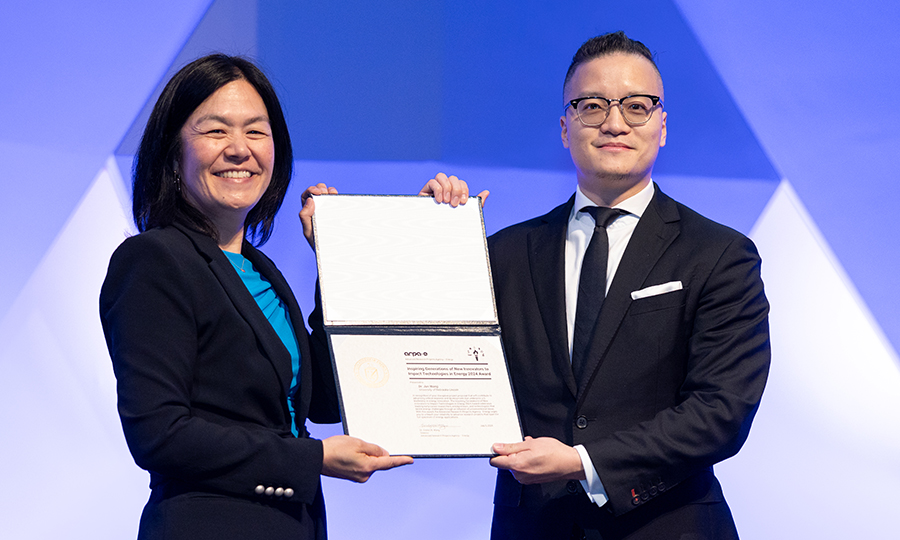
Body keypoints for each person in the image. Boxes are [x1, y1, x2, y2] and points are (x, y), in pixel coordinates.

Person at [99, 54, 476, 540]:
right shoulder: (154, 260)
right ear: (173, 153)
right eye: (216, 131)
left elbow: (320, 400)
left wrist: (413, 239)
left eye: (256, 132)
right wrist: (313, 457)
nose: (239, 149)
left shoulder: (262, 271)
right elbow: (160, 434)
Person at [486, 32, 771, 539]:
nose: (614, 123)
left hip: (668, 525)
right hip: (533, 526)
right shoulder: (504, 252)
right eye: (592, 105)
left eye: (637, 106)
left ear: (662, 126)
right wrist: (435, 238)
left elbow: (721, 411)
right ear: (564, 127)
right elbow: (437, 359)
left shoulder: (719, 254)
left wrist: (583, 461)